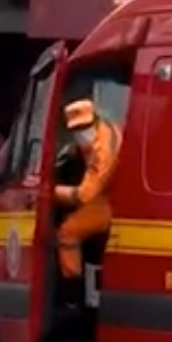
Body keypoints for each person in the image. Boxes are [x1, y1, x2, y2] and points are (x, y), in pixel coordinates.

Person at [55, 99, 120, 280]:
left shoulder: (103, 150)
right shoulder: (102, 130)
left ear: (93, 121)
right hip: (105, 196)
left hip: (108, 202)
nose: (80, 133)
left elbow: (84, 194)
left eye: (83, 128)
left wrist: (51, 192)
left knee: (67, 233)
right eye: (75, 130)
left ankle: (72, 288)